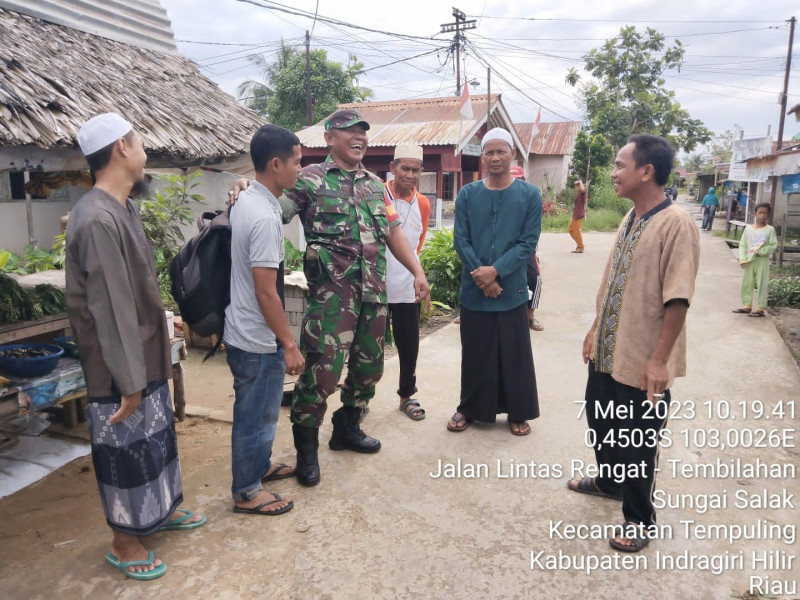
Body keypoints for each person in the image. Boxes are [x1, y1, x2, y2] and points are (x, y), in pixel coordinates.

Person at [66, 113, 206, 580]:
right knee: (123, 449)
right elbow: (109, 309)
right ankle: (124, 539)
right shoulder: (97, 218)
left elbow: (137, 290)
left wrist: (168, 321)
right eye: (141, 143)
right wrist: (128, 381)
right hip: (119, 365)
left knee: (154, 440)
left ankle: (158, 512)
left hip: (144, 353)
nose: (145, 152)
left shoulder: (123, 207)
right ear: (122, 148)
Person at [276, 109, 429, 486]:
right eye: (350, 132)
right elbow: (272, 209)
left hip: (372, 295)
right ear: (330, 138)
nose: (359, 137)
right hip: (331, 297)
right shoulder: (309, 179)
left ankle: (347, 427)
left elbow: (394, 233)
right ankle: (306, 451)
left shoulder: (376, 185)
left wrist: (418, 271)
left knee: (369, 369)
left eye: (363, 132)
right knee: (322, 373)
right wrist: (247, 189)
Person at [568, 134, 699, 553]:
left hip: (644, 359)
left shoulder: (675, 222)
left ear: (646, 172)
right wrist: (594, 329)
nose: (614, 172)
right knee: (601, 422)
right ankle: (609, 482)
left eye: (621, 165)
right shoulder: (631, 217)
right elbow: (612, 283)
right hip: (610, 351)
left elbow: (678, 297)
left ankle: (639, 518)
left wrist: (659, 361)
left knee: (638, 442)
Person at [225, 125, 305, 516]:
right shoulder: (263, 217)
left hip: (247, 330)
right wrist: (289, 343)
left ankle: (260, 466)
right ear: (275, 164)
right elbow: (266, 292)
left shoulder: (251, 200)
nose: (299, 170)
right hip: (255, 337)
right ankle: (247, 492)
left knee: (263, 411)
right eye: (296, 162)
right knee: (253, 417)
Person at [447, 128, 541, 436]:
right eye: (489, 152)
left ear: (512, 153)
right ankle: (469, 408)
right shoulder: (468, 194)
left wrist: (496, 271)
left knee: (514, 353)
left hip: (511, 288)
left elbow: (527, 243)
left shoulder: (529, 195)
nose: (495, 157)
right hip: (475, 289)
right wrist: (482, 276)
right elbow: (461, 239)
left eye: (502, 151)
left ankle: (518, 410)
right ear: (482, 157)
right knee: (475, 352)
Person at [385, 144, 431, 421]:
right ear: (393, 168)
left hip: (406, 287)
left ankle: (406, 394)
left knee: (409, 345)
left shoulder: (423, 203)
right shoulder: (377, 193)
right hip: (374, 286)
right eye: (405, 168)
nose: (410, 175)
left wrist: (418, 276)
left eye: (416, 170)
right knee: (367, 347)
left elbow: (417, 243)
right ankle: (358, 399)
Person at [509, 166, 544, 331]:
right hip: (503, 247)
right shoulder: (500, 196)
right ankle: (467, 311)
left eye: (519, 179)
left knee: (535, 278)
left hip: (525, 247)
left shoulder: (530, 197)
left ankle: (530, 315)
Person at [732, 202, 777, 318]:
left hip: (762, 260)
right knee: (747, 283)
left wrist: (759, 251)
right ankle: (747, 306)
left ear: (769, 215)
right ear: (755, 214)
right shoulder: (748, 229)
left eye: (766, 213)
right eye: (760, 213)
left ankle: (761, 308)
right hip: (748, 260)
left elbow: (773, 246)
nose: (763, 215)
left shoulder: (770, 230)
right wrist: (742, 258)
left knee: (762, 283)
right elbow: (742, 244)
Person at [568, 179, 587, 253]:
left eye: (576, 186)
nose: (575, 187)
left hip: (579, 215)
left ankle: (580, 247)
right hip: (576, 214)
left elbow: (583, 189)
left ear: (579, 186)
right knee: (570, 229)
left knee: (576, 231)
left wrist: (581, 181)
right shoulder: (579, 193)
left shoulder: (582, 192)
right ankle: (580, 244)